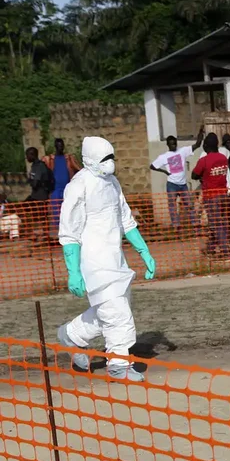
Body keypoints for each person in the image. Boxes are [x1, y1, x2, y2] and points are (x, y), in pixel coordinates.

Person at [55, 136, 156, 382]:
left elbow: (126, 219)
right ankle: (118, 366)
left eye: (112, 157)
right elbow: (69, 232)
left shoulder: (113, 183)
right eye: (104, 158)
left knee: (111, 309)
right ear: (89, 161)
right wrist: (73, 271)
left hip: (115, 261)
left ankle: (72, 335)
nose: (110, 162)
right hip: (94, 263)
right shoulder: (79, 186)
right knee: (117, 314)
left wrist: (144, 252)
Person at [192, 133, 230, 260]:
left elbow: (194, 175)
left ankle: (225, 250)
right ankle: (211, 247)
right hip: (223, 194)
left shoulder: (204, 160)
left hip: (211, 195)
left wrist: (203, 176)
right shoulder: (223, 158)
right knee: (221, 221)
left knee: (216, 223)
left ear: (205, 146)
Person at [150, 133, 204, 228]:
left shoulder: (182, 151)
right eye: (172, 144)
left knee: (189, 204)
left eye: (175, 144)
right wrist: (164, 171)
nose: (174, 146)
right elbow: (152, 166)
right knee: (172, 206)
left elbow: (197, 144)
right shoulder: (164, 157)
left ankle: (194, 223)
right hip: (172, 185)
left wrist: (200, 131)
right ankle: (176, 225)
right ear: (168, 145)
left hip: (183, 184)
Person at [44, 138, 82, 230]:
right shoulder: (50, 159)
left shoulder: (68, 158)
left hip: (67, 189)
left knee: (69, 210)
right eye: (58, 146)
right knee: (56, 212)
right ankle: (59, 231)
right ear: (55, 146)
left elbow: (79, 169)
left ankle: (71, 229)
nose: (60, 147)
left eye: (61, 145)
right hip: (55, 190)